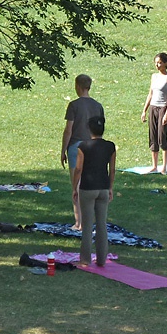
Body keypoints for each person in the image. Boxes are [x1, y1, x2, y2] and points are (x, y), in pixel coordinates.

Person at [61, 74, 105, 229]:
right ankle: (89, 221)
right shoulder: (98, 106)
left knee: (77, 185)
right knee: (90, 185)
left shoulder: (74, 105)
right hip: (93, 147)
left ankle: (78, 222)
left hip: (76, 147)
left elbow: (68, 130)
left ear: (77, 86)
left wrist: (63, 150)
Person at [72, 116, 116, 267]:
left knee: (87, 225)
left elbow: (78, 169)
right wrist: (110, 187)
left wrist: (74, 187)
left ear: (89, 129)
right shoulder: (110, 146)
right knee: (102, 224)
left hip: (87, 188)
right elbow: (112, 170)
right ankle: (102, 259)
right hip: (103, 188)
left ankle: (85, 259)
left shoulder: (83, 146)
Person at [140, 52, 167, 173]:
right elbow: (150, 94)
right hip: (153, 107)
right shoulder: (154, 76)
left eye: (160, 62)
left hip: (163, 108)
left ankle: (164, 167)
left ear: (165, 63)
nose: (157, 65)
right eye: (156, 63)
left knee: (162, 136)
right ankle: (154, 166)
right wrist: (144, 110)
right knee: (153, 136)